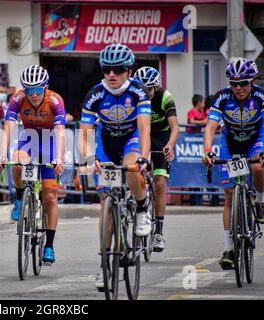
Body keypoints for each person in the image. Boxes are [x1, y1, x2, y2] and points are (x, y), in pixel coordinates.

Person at [77, 43, 151, 290]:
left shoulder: (138, 91)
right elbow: (85, 131)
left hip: (130, 139)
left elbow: (144, 127)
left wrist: (144, 156)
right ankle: (104, 265)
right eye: (107, 69)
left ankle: (142, 207)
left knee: (132, 167)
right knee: (105, 205)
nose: (112, 74)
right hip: (106, 143)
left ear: (128, 70)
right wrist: (89, 157)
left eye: (118, 69)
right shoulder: (95, 94)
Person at [0, 65, 65, 264]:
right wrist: (1, 155)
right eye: (29, 90)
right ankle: (19, 198)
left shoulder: (55, 100)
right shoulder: (17, 99)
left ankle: (49, 246)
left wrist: (59, 157)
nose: (33, 94)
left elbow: (60, 130)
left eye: (37, 90)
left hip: (51, 143)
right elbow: (8, 127)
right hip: (29, 140)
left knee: (50, 196)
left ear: (46, 87)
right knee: (16, 161)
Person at [202, 57, 264, 271]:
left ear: (252, 82)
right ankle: (229, 249)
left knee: (257, 166)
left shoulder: (261, 96)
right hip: (230, 144)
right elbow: (210, 126)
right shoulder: (222, 97)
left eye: (243, 83)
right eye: (234, 83)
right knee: (229, 195)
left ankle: (259, 201)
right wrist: (208, 151)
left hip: (256, 140)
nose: (238, 88)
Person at [134, 66, 180, 252]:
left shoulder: (164, 97)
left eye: (150, 90)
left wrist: (170, 145)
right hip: (140, 136)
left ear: (157, 87)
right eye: (143, 89)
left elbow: (175, 126)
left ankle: (158, 232)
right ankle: (139, 205)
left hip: (161, 138)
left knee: (160, 184)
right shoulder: (134, 96)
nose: (146, 93)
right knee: (135, 174)